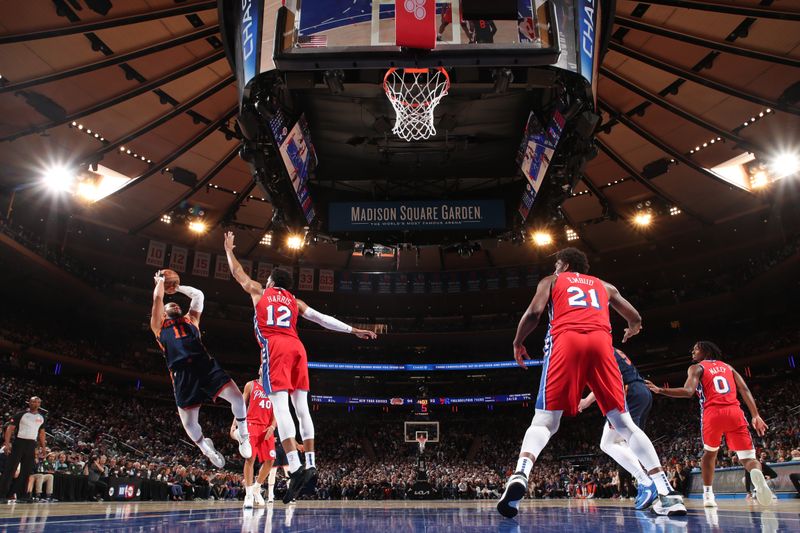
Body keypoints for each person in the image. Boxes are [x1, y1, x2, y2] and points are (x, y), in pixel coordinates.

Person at [496, 247, 685, 518]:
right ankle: (666, 492)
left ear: (564, 265)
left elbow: (535, 314)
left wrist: (517, 343)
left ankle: (520, 473)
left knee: (545, 421)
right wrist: (632, 328)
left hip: (566, 341)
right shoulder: (604, 285)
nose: (554, 269)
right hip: (601, 344)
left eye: (557, 264)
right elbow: (635, 317)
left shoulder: (552, 281)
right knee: (625, 425)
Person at [224, 231, 377, 503]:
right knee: (302, 407)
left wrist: (229, 251)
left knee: (281, 407)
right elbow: (322, 319)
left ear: (271, 281)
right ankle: (311, 464)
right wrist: (353, 330)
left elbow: (238, 274)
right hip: (298, 348)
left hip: (276, 347)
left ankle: (294, 468)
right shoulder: (295, 301)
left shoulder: (260, 291)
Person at [646, 341, 773, 507]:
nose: (692, 351)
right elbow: (745, 390)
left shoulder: (697, 368)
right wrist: (755, 415)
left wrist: (660, 390)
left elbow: (688, 392)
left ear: (705, 351)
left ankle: (708, 496)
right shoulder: (728, 367)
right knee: (749, 458)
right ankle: (757, 475)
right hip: (735, 412)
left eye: (695, 349)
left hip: (712, 414)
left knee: (710, 454)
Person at [150, 270, 252, 468]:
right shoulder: (159, 326)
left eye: (176, 303)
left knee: (238, 398)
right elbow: (157, 298)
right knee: (189, 424)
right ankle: (206, 448)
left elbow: (198, 295)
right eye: (170, 304)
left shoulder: (192, 320)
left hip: (205, 365)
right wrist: (160, 283)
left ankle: (244, 435)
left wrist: (176, 287)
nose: (174, 304)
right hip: (182, 375)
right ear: (163, 312)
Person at [578, 348, 658, 510]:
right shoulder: (608, 346)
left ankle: (647, 481)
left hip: (628, 392)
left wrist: (586, 400)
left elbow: (611, 378)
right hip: (641, 391)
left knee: (607, 443)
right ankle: (657, 485)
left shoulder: (593, 348)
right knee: (628, 444)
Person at [231, 366, 278, 509]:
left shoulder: (275, 389)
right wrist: (234, 425)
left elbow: (277, 411)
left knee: (270, 460)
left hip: (267, 427)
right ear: (259, 370)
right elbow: (240, 406)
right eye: (262, 366)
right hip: (251, 424)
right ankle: (249, 494)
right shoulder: (251, 385)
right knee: (250, 458)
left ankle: (257, 487)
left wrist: (273, 427)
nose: (265, 369)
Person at [0, 396, 47, 503]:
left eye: (36, 402)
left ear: (39, 404)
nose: (34, 403)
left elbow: (42, 433)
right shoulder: (21, 415)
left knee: (26, 471)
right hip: (19, 442)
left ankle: (22, 495)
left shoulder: (42, 417)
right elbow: (9, 429)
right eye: (32, 401)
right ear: (29, 403)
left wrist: (43, 447)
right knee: (10, 469)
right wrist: (7, 444)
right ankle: (2, 495)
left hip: (31, 444)